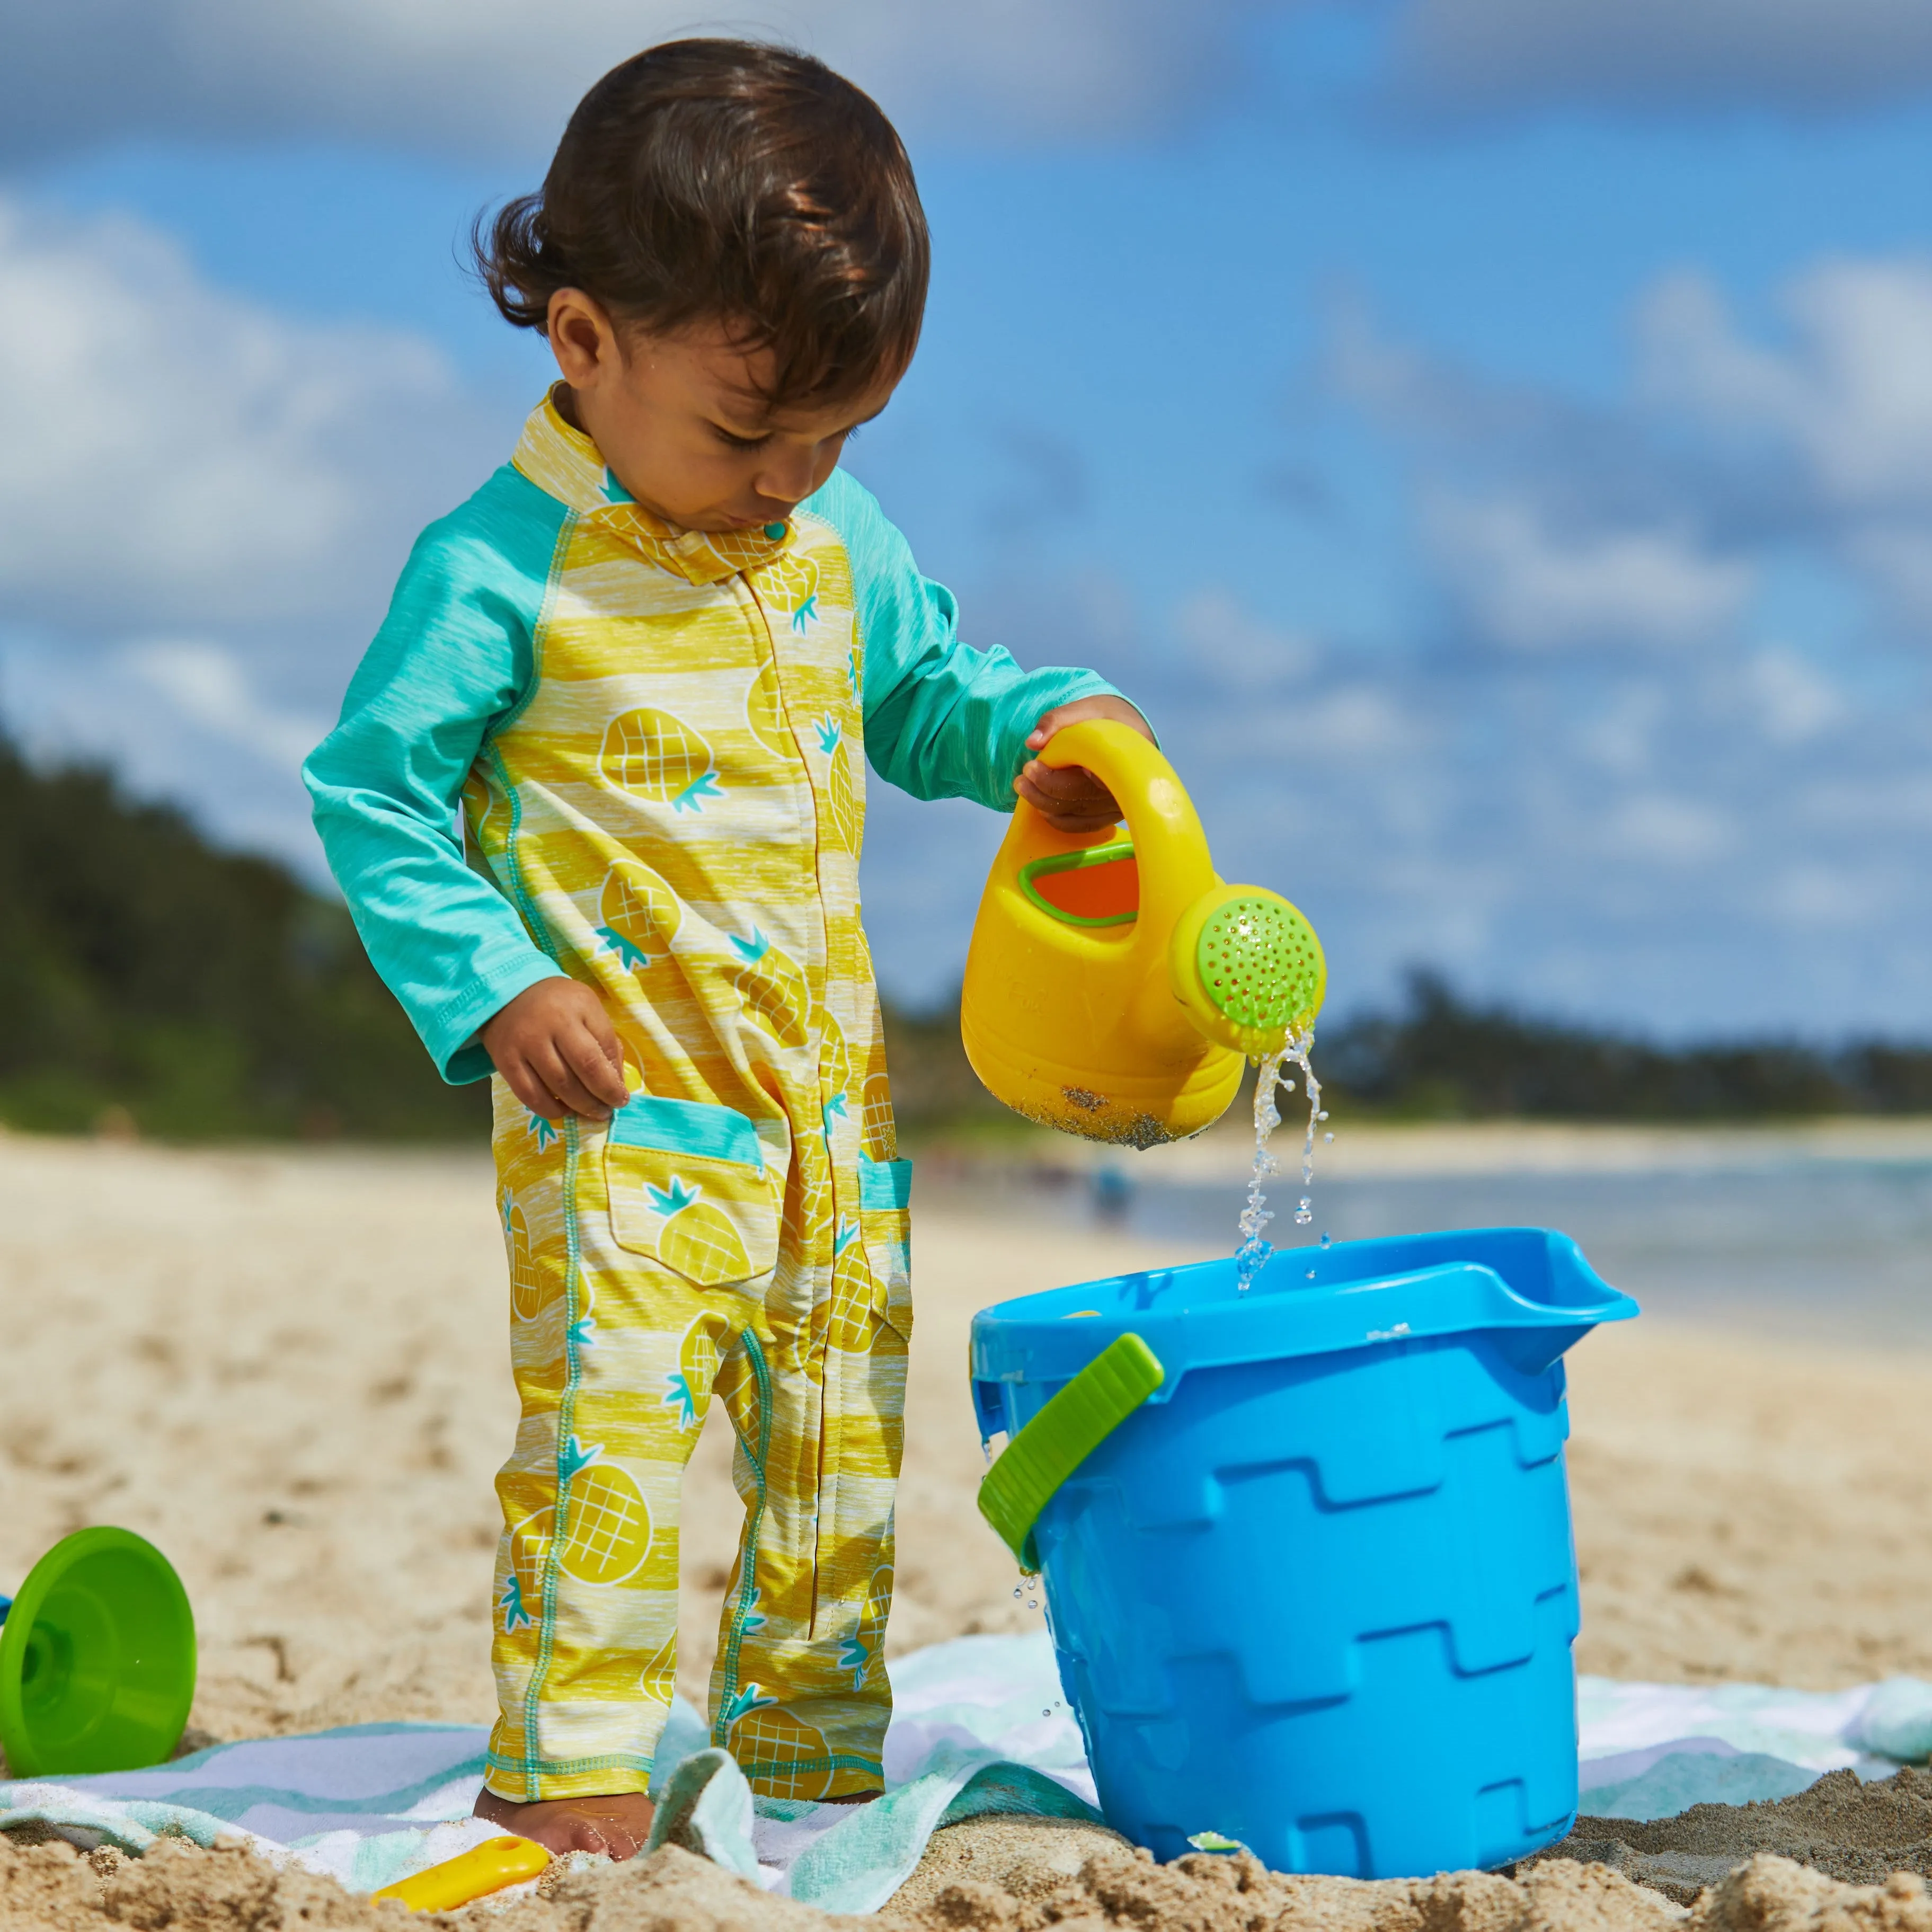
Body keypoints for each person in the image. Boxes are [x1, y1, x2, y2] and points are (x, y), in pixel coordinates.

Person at [304, 39, 1150, 1863]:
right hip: (625, 1121)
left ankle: (814, 1755)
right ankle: (573, 1769)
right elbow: (375, 793)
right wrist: (493, 983)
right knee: (608, 1448)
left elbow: (919, 696)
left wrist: (1039, 733)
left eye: (838, 438)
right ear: (585, 344)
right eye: (749, 433)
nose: (789, 480)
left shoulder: (833, 540)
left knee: (837, 1449)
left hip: (829, 1120)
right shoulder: (501, 565)